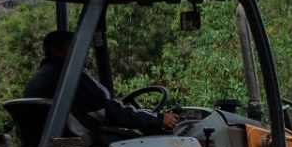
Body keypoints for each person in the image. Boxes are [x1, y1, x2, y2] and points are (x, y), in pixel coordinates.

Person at [24, 29, 179, 134]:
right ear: (57, 50)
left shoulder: (38, 78)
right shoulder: (70, 78)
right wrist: (157, 119)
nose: (83, 54)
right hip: (87, 145)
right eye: (75, 47)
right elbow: (109, 112)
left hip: (65, 142)